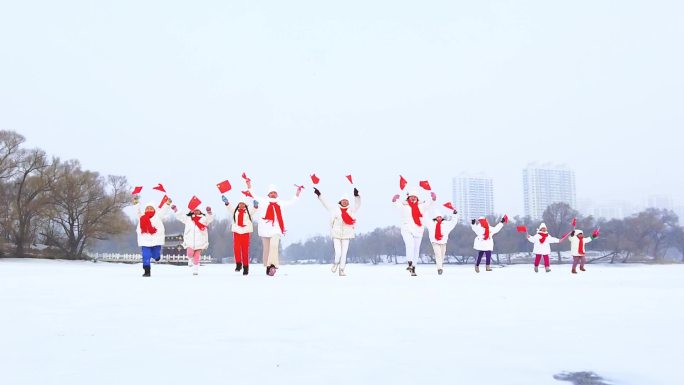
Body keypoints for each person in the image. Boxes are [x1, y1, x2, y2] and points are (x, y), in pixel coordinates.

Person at [247, 180, 302, 276]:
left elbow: (292, 202)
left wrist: (297, 193)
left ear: (277, 194)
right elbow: (253, 195)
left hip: (276, 229)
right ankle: (268, 267)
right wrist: (249, 185)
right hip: (265, 228)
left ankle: (272, 265)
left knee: (274, 246)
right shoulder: (263, 202)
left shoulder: (280, 203)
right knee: (267, 249)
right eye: (271, 193)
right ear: (268, 194)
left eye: (274, 193)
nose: (273, 194)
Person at [313, 186, 361, 276]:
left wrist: (357, 196)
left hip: (347, 235)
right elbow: (325, 203)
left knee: (344, 254)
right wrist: (319, 195)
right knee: (338, 252)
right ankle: (335, 263)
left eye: (346, 201)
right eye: (343, 200)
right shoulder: (334, 209)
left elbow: (358, 204)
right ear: (340, 201)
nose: (345, 202)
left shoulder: (351, 210)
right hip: (336, 234)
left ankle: (341, 270)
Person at [392, 190, 436, 276]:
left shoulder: (421, 205)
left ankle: (413, 268)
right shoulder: (404, 205)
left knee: (416, 249)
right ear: (408, 197)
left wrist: (433, 199)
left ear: (417, 198)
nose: (413, 198)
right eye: (411, 196)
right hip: (406, 229)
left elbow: (429, 204)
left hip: (418, 229)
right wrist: (395, 200)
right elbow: (396, 204)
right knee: (410, 245)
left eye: (415, 197)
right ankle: (409, 263)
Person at [133, 195, 172, 277]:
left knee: (155, 254)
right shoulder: (142, 217)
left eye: (151, 208)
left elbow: (164, 210)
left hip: (156, 240)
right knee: (146, 256)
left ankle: (156, 256)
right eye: (147, 208)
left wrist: (167, 204)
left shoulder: (158, 216)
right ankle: (147, 271)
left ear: (154, 209)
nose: (149, 209)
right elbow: (137, 211)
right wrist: (136, 203)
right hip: (145, 240)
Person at [172, 204, 214, 276]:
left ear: (200, 211)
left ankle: (195, 269)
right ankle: (190, 259)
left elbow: (209, 219)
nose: (196, 212)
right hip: (189, 240)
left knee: (197, 256)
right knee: (190, 254)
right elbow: (181, 216)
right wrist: (175, 209)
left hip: (200, 241)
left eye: (197, 210)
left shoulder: (203, 218)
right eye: (194, 210)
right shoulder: (188, 219)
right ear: (192, 211)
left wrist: (209, 212)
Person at [223, 195, 259, 275]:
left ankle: (246, 268)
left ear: (245, 205)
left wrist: (256, 205)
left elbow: (254, 209)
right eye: (240, 204)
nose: (241, 205)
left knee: (245, 250)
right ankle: (238, 264)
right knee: (236, 248)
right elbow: (229, 208)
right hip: (237, 231)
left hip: (245, 232)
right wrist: (226, 202)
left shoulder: (248, 211)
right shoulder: (235, 211)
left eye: (243, 204)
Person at [426, 209, 459, 275]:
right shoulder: (431, 224)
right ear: (435, 218)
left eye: (440, 217)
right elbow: (425, 218)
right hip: (435, 242)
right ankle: (439, 269)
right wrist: (425, 209)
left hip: (443, 242)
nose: (439, 218)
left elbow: (453, 222)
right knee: (438, 255)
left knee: (442, 256)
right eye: (437, 217)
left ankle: (440, 265)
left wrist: (454, 214)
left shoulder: (446, 224)